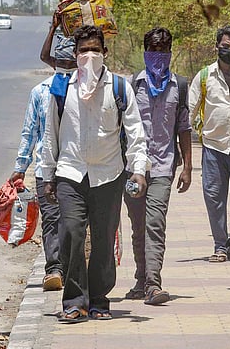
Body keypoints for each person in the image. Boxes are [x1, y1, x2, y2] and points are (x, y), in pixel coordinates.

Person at [40, 25, 149, 323]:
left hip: (108, 175)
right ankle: (74, 300)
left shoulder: (119, 87)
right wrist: (47, 175)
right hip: (70, 174)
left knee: (103, 239)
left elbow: (135, 132)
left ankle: (99, 299)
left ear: (105, 53)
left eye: (95, 50)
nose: (90, 55)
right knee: (72, 233)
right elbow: (50, 133)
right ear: (75, 55)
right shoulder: (62, 88)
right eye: (84, 50)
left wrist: (138, 170)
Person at [124, 27, 193, 305]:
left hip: (164, 167)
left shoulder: (180, 85)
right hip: (134, 168)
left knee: (155, 223)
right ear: (145, 52)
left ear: (170, 52)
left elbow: (184, 127)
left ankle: (154, 283)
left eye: (164, 50)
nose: (159, 56)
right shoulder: (132, 86)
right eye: (154, 50)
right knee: (138, 224)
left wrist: (187, 166)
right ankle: (141, 279)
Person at [188, 25, 230, 265]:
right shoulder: (205, 76)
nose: (229, 50)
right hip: (214, 148)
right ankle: (220, 245)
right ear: (217, 47)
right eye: (225, 46)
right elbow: (190, 109)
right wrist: (197, 132)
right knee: (214, 198)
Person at [9, 67, 76, 292]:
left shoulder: (86, 91)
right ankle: (54, 269)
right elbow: (30, 131)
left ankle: (71, 268)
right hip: (45, 168)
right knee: (51, 218)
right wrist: (20, 167)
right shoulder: (40, 92)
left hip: (77, 168)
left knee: (73, 221)